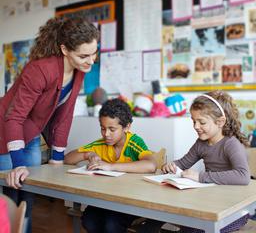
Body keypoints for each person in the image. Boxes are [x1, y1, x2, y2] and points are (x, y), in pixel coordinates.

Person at [0, 16, 100, 233]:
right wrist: (18, 163)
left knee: (28, 193)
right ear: (64, 49)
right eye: (84, 55)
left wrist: (57, 159)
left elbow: (66, 114)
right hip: (6, 133)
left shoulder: (79, 70)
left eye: (94, 53)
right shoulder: (40, 70)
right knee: (9, 195)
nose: (91, 61)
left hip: (32, 133)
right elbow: (14, 117)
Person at [161, 90, 250, 233]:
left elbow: (243, 176)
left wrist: (200, 177)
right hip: (210, 203)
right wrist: (171, 165)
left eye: (201, 122)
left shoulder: (231, 144)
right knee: (187, 223)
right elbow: (183, 163)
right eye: (193, 121)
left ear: (220, 122)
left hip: (233, 210)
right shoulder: (201, 143)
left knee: (195, 229)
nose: (196, 126)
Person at [64, 98, 157, 233]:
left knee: (112, 225)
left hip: (131, 200)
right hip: (106, 200)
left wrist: (111, 166)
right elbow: (67, 159)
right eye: (103, 128)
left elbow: (151, 165)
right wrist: (87, 155)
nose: (106, 134)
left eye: (112, 129)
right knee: (88, 220)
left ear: (127, 127)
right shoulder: (101, 144)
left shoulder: (133, 142)